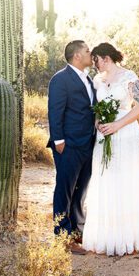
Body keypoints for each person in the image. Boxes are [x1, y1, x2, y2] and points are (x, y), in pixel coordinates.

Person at [82, 42, 139, 257]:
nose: (94, 64)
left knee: (126, 179)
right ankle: (108, 236)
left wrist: (117, 125)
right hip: (104, 134)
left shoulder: (129, 77)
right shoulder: (98, 80)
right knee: (107, 178)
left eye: (96, 60)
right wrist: (98, 121)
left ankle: (130, 237)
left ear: (106, 58)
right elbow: (97, 107)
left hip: (125, 133)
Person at [47, 40, 96, 253]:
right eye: (87, 51)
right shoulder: (60, 79)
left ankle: (77, 231)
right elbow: (55, 111)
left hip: (88, 143)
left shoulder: (89, 79)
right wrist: (58, 141)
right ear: (77, 56)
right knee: (64, 190)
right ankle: (63, 236)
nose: (90, 53)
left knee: (80, 190)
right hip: (68, 145)